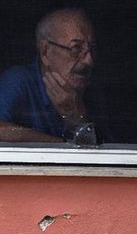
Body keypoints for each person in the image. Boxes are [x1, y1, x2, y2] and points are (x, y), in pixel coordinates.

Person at [0, 9, 100, 144]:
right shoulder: (19, 81)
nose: (89, 61)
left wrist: (76, 117)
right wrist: (62, 145)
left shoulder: (92, 91)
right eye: (76, 48)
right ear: (46, 52)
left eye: (91, 49)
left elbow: (109, 150)